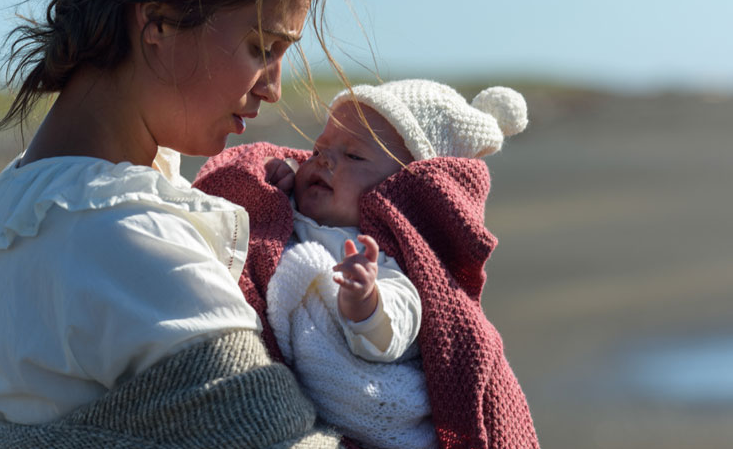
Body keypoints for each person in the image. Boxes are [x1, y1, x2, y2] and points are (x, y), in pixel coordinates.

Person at [0, 0, 345, 447]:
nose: (273, 87)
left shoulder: (35, 204)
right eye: (261, 47)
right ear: (157, 22)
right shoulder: (124, 235)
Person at [196, 79, 541, 449]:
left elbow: (398, 326)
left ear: (398, 189)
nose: (323, 160)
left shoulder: (383, 258)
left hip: (371, 412)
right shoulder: (287, 212)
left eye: (354, 156)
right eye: (319, 149)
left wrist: (366, 303)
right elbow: (222, 193)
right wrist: (265, 178)